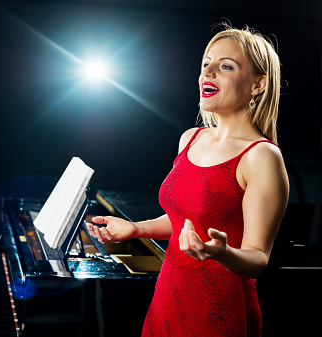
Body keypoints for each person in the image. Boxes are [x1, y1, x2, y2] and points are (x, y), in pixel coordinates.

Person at [86, 26, 289, 336]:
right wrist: (136, 228)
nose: (208, 72)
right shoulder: (190, 139)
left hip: (219, 314)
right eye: (206, 63)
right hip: (166, 302)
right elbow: (185, 222)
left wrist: (221, 252)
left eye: (226, 66)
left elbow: (258, 258)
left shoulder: (261, 157)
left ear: (258, 84)